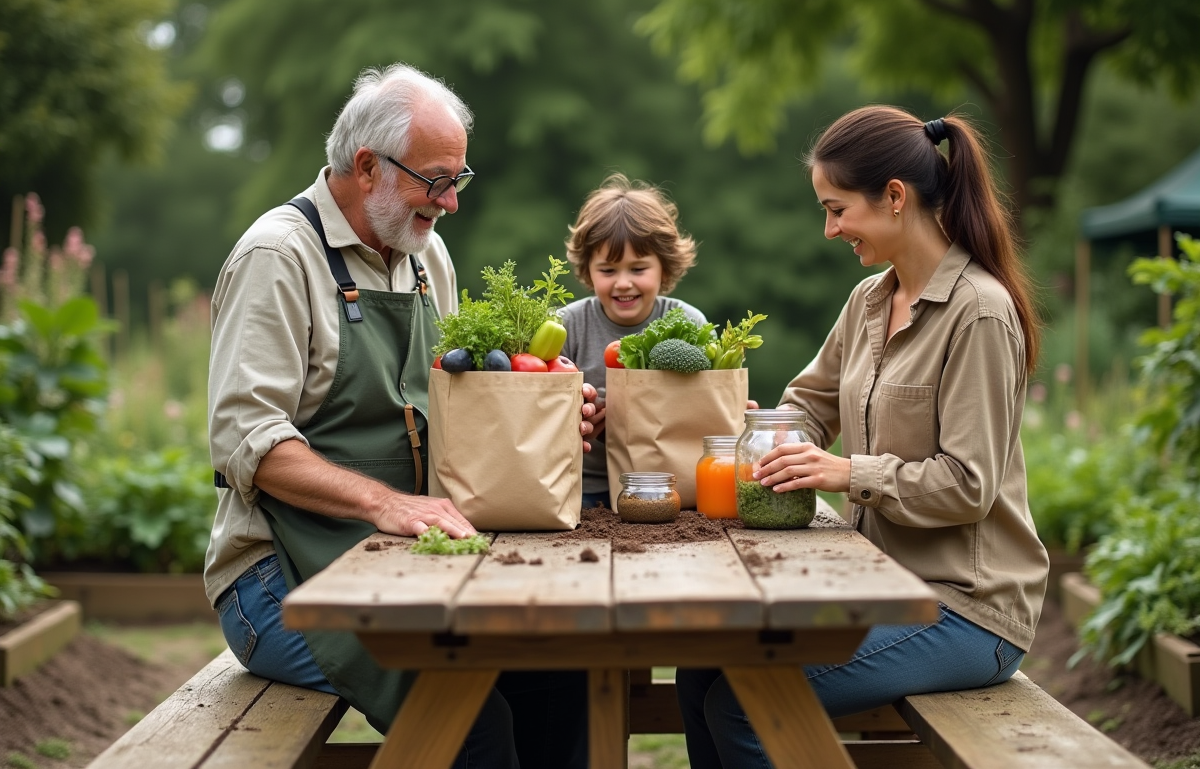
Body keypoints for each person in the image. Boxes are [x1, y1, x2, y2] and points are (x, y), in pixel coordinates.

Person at [205, 63, 595, 769]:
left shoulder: (423, 255)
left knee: (560, 676)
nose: (450, 203)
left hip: (402, 565)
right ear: (365, 167)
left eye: (458, 180)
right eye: (436, 181)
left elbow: (457, 403)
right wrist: (384, 502)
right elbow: (248, 442)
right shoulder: (278, 256)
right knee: (469, 719)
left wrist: (539, 419)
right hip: (280, 581)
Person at [676, 106, 1049, 767]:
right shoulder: (869, 302)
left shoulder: (980, 314)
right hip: (879, 586)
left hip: (966, 612)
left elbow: (967, 486)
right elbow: (807, 404)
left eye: (837, 208)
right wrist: (766, 436)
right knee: (702, 670)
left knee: (745, 703)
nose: (829, 229)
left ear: (895, 198)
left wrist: (845, 471)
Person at [560, 173, 705, 508]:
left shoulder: (687, 322)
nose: (623, 283)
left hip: (670, 486)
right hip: (582, 487)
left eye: (638, 269)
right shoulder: (568, 325)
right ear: (588, 270)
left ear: (664, 268)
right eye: (608, 271)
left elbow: (699, 408)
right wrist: (580, 419)